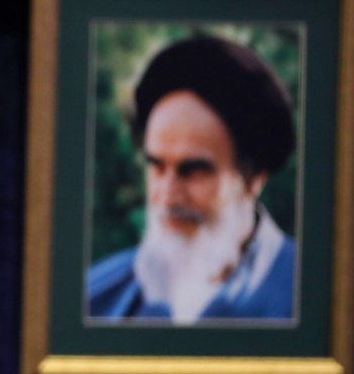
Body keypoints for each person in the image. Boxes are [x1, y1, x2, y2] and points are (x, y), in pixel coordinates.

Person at [86, 34, 297, 324]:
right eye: (157, 167)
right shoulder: (96, 297)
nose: (168, 194)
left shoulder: (317, 298)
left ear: (253, 178)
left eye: (194, 170)